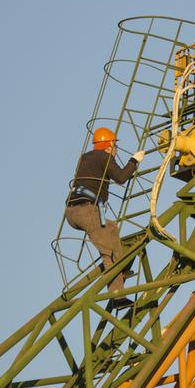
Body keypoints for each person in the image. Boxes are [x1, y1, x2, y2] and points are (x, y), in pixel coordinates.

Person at [65, 127, 145, 296]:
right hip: (87, 210)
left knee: (111, 227)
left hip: (72, 212)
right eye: (115, 146)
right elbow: (121, 177)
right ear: (109, 146)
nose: (116, 150)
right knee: (107, 252)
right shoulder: (105, 156)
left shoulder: (85, 157)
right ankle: (117, 294)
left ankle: (120, 269)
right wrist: (134, 161)